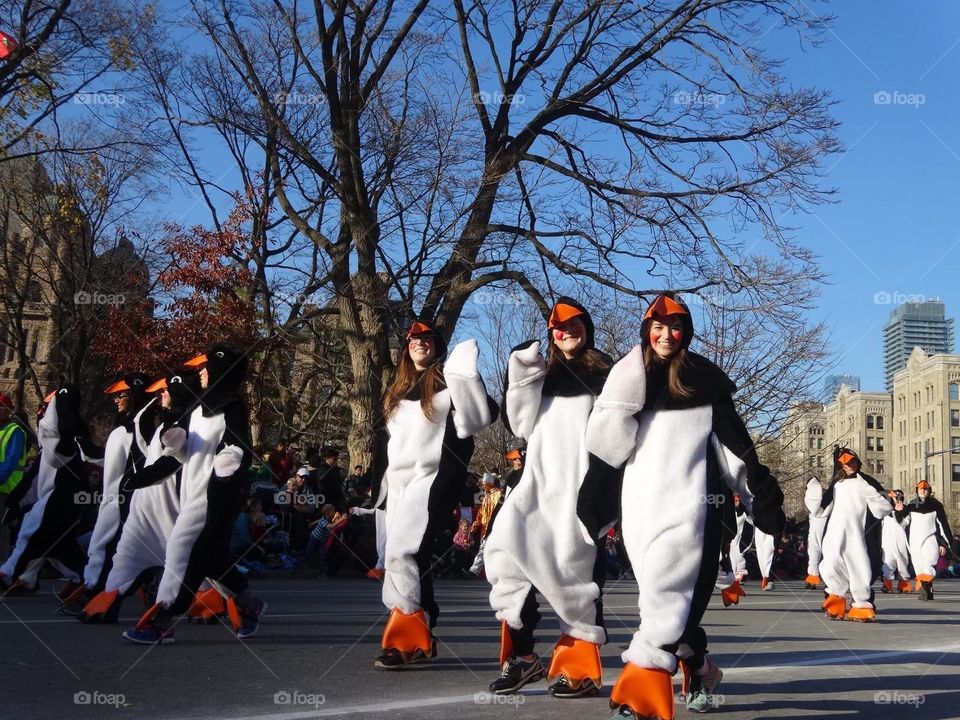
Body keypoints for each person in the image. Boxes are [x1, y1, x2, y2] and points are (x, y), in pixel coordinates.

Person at [586, 293, 785, 718]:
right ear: (646, 330)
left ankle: (642, 695)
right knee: (666, 602)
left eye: (676, 327)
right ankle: (702, 668)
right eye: (658, 326)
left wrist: (758, 500)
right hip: (642, 513)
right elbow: (606, 452)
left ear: (686, 334)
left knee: (668, 602)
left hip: (693, 512)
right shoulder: (630, 379)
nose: (667, 334)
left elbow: (736, 452)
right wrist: (595, 503)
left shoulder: (703, 382)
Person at [485, 297, 620, 699]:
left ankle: (578, 666)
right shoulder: (542, 375)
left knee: (575, 578)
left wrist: (606, 501)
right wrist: (522, 374)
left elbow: (618, 440)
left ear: (587, 327)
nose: (566, 332)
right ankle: (524, 658)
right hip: (535, 488)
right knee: (506, 561)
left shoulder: (608, 374)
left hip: (583, 491)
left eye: (574, 323)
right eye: (558, 327)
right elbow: (520, 424)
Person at [371, 320, 497, 669]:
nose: (419, 343)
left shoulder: (447, 381)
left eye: (426, 338)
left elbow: (485, 414)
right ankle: (422, 628)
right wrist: (375, 487)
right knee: (408, 558)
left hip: (429, 482)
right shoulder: (396, 389)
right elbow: (384, 444)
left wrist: (466, 377)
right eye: (413, 339)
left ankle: (405, 632)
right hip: (396, 486)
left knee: (402, 553)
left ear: (437, 346)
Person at [123, 344, 264, 644]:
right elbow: (181, 453)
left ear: (221, 370)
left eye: (206, 365)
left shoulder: (232, 407)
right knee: (211, 562)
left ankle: (162, 619)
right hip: (191, 494)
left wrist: (229, 461)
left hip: (213, 497)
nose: (200, 370)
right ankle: (251, 605)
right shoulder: (198, 408)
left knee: (178, 549)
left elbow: (240, 448)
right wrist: (166, 453)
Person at [78, 373, 200, 622]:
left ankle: (215, 602)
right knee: (126, 555)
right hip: (143, 508)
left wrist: (136, 480)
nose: (160, 395)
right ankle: (106, 603)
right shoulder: (160, 426)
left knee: (192, 563)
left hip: (172, 510)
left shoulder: (188, 426)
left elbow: (171, 461)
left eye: (165, 391)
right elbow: (146, 448)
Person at [62, 373, 155, 616]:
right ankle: (133, 588)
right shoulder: (124, 428)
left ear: (136, 395)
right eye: (116, 396)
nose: (116, 400)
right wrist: (88, 449)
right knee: (111, 546)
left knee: (108, 545)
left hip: (122, 500)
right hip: (115, 498)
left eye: (122, 395)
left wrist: (123, 496)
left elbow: (135, 466)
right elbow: (110, 461)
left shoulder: (137, 430)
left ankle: (97, 592)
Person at [0, 388, 90, 594]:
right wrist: (17, 501)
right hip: (52, 500)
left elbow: (61, 471)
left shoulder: (68, 441)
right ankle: (84, 577)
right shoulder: (57, 441)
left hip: (59, 501)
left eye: (48, 406)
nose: (43, 411)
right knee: (57, 546)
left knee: (32, 536)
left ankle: (11, 572)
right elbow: (35, 476)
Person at [806, 447, 890, 621]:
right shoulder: (837, 484)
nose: (850, 466)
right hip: (835, 532)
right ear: (840, 466)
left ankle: (861, 605)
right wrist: (813, 490)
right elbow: (822, 509)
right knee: (831, 563)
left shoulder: (865, 481)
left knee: (858, 564)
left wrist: (885, 498)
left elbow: (882, 506)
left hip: (858, 532)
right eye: (845, 463)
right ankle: (836, 602)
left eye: (852, 462)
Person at [897, 479, 953, 600]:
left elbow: (943, 526)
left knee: (929, 561)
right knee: (919, 565)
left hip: (930, 538)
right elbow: (902, 523)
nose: (923, 490)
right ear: (917, 491)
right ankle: (926, 587)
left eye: (925, 488)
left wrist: (944, 544)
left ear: (929, 491)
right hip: (914, 540)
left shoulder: (936, 505)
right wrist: (899, 511)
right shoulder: (911, 505)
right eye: (920, 488)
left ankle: (926, 584)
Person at [0, 393, 28, 560]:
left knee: (1, 530)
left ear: (6, 410)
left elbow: (10, 463)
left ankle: (2, 565)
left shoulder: (15, 431)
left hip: (6, 489)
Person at [880, 489, 912, 593]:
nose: (896, 500)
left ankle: (903, 582)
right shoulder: (885, 510)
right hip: (887, 541)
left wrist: (899, 511)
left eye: (898, 498)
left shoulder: (906, 510)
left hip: (901, 540)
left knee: (903, 560)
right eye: (894, 498)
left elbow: (904, 523)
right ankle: (887, 583)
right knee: (888, 561)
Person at [804, 479, 828, 589]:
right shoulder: (811, 498)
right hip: (816, 528)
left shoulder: (824, 497)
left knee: (818, 553)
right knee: (814, 552)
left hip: (824, 526)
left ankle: (816, 577)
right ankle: (813, 577)